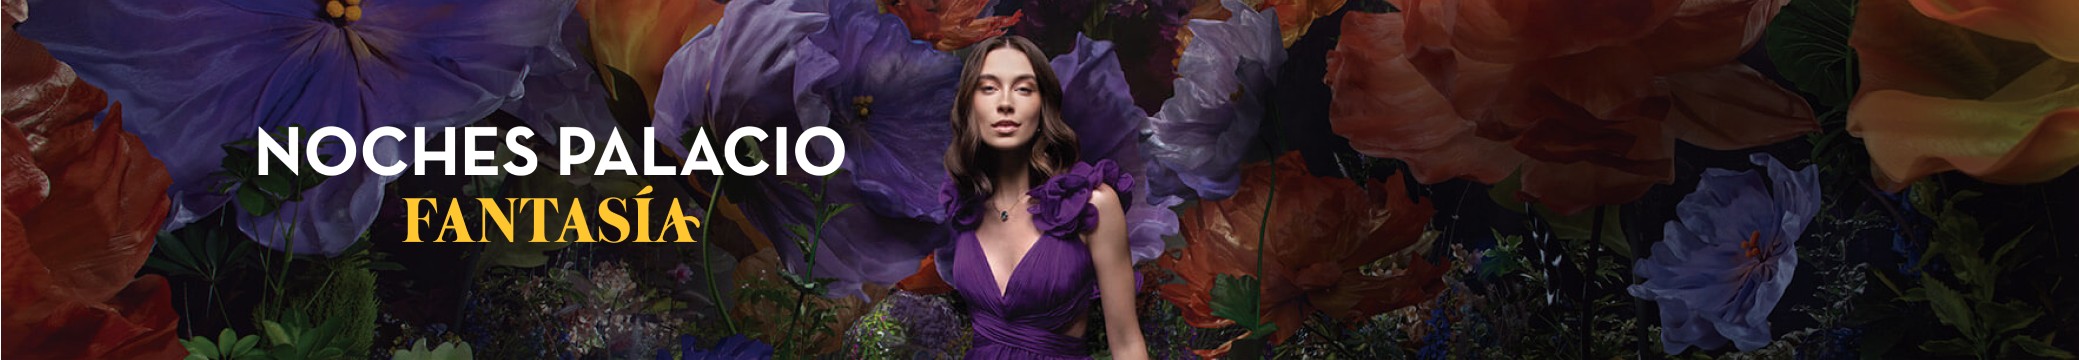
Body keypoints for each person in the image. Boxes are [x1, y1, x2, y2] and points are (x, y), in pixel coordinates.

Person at [938, 35, 1149, 359]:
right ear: (969, 105)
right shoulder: (965, 206)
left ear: (1044, 105)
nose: (1005, 102)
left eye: (1023, 88)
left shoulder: (1090, 206)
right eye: (989, 88)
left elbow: (1126, 343)